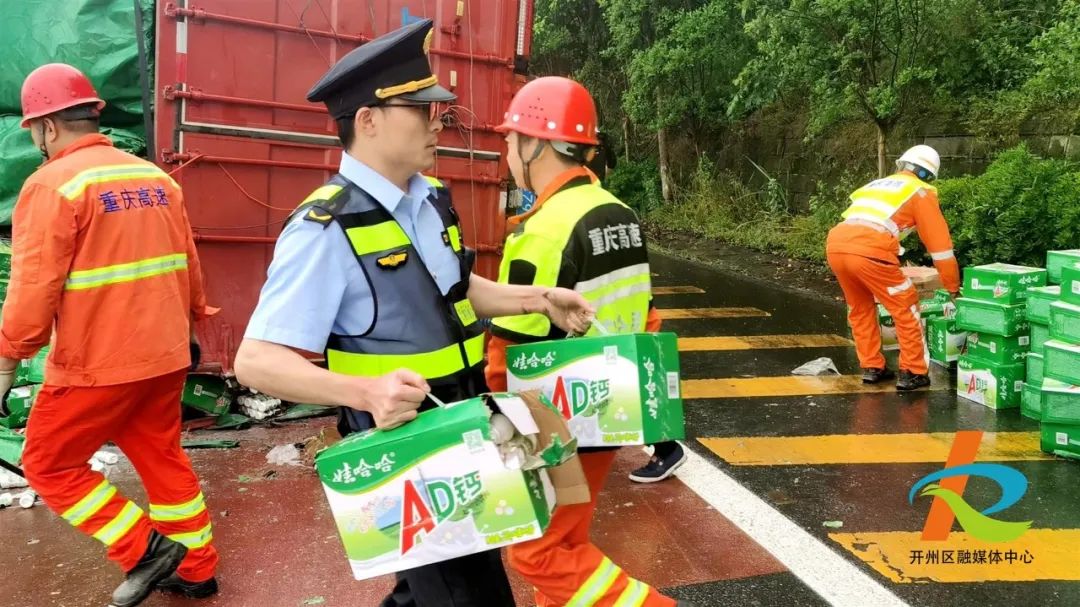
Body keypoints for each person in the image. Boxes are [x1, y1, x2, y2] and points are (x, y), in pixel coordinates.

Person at [232, 20, 594, 607]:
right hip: (408, 448)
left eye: (438, 109)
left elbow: (451, 288)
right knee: (467, 594)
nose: (437, 121)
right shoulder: (325, 229)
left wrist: (535, 298)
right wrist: (365, 391)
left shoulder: (429, 200)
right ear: (368, 120)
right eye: (421, 109)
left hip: (468, 422)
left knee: (432, 587)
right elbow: (256, 361)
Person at [2, 63, 220, 607]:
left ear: (47, 127)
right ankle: (196, 570)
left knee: (49, 464)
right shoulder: (155, 178)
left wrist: (8, 358)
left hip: (98, 364)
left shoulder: (52, 184)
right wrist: (193, 320)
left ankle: (143, 551)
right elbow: (189, 264)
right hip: (166, 354)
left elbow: (32, 290)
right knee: (160, 455)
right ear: (91, 114)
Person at [485, 76, 687, 607]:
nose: (506, 151)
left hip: (556, 419)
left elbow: (508, 352)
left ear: (536, 144)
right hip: (608, 407)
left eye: (511, 140)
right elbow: (647, 311)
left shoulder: (546, 229)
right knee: (568, 540)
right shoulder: (619, 212)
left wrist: (493, 420)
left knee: (538, 553)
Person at [826, 145, 960, 391]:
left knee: (860, 306)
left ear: (902, 165)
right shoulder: (921, 192)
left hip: (836, 244)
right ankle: (913, 372)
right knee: (905, 304)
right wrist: (952, 286)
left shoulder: (878, 185)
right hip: (870, 249)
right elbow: (940, 247)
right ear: (928, 175)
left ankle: (872, 367)